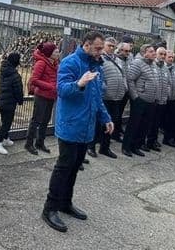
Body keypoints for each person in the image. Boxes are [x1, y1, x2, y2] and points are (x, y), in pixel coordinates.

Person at [41, 31, 112, 232]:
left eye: (101, 48)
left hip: (86, 127)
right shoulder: (70, 63)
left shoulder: (96, 65)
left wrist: (105, 118)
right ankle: (49, 208)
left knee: (75, 166)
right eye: (98, 48)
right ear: (86, 45)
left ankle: (65, 202)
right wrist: (79, 84)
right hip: (71, 125)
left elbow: (97, 96)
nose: (101, 52)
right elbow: (62, 90)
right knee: (63, 167)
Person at [89, 37, 125, 159]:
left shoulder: (117, 60)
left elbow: (123, 74)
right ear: (104, 45)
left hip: (116, 97)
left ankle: (105, 147)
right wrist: (104, 87)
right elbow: (97, 75)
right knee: (98, 123)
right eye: (109, 45)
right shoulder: (100, 58)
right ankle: (91, 147)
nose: (111, 48)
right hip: (104, 97)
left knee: (111, 123)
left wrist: (124, 86)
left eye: (113, 46)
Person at [122, 44, 157, 157]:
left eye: (154, 51)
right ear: (144, 53)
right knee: (134, 124)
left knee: (144, 125)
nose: (154, 53)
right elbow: (130, 79)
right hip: (139, 99)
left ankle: (136, 146)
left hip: (151, 100)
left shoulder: (153, 65)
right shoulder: (138, 63)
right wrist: (135, 97)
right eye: (151, 51)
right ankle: (126, 147)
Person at [25, 42, 58, 155]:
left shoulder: (55, 63)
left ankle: (40, 142)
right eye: (55, 51)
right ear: (49, 53)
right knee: (36, 120)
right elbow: (34, 79)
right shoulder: (41, 63)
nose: (58, 52)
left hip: (51, 96)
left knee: (45, 121)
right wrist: (49, 86)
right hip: (42, 96)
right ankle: (29, 144)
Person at [0, 52, 24, 155]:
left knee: (5, 120)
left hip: (2, 100)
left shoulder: (4, 70)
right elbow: (18, 91)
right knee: (7, 123)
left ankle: (5, 138)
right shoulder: (15, 75)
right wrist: (20, 100)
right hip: (10, 102)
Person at [146, 47, 171, 151]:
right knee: (149, 122)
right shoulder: (152, 66)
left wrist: (167, 94)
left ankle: (153, 141)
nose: (163, 56)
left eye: (164, 54)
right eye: (161, 54)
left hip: (162, 100)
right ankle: (145, 141)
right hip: (152, 100)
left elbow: (168, 82)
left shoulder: (165, 68)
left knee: (156, 123)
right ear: (156, 54)